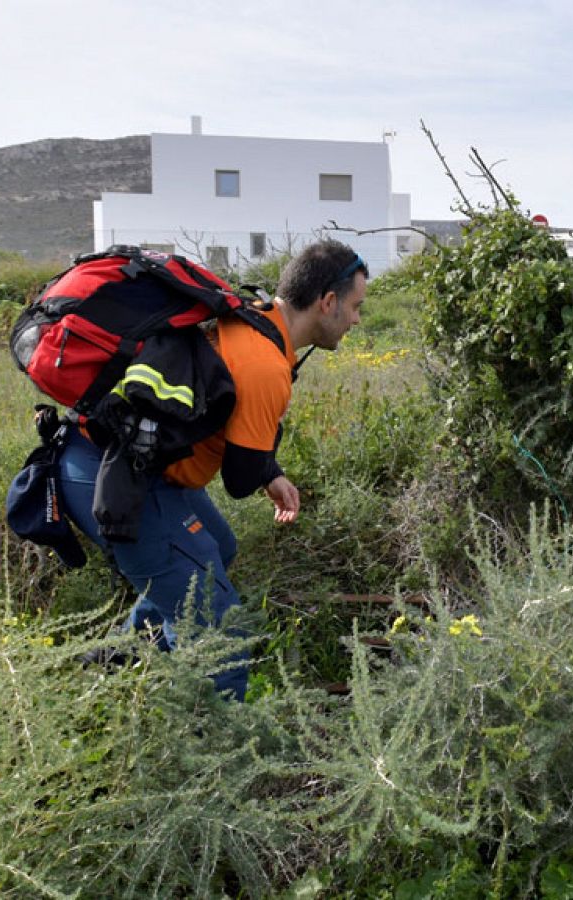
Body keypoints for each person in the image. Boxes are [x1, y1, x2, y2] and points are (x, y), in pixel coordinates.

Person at [59, 239, 368, 700]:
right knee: (222, 635)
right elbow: (239, 480)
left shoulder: (253, 316)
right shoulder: (267, 366)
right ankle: (210, 760)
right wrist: (267, 449)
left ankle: (119, 668)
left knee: (218, 547)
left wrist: (271, 471)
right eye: (357, 306)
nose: (358, 319)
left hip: (123, 460)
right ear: (327, 303)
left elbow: (221, 412)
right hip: (116, 476)